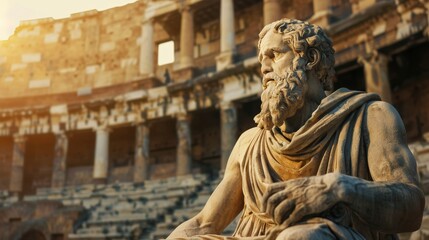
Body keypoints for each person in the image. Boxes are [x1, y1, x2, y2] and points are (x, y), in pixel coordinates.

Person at [167, 18, 424, 240]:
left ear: (310, 58)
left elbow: (411, 208)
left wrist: (338, 188)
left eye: (274, 55)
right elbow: (205, 222)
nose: (264, 68)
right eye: (261, 61)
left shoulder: (371, 117)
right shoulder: (249, 143)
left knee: (298, 236)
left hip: (326, 236)